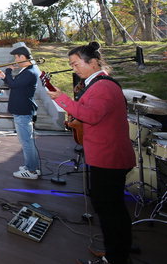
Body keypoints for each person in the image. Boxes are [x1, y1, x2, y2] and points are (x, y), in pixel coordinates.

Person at [47, 42, 135, 264]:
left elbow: (92, 115)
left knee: (110, 210)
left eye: (76, 64)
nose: (73, 68)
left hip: (109, 157)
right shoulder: (96, 85)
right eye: (71, 65)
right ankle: (114, 252)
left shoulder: (103, 87)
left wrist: (61, 98)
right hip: (104, 155)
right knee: (107, 207)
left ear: (93, 62)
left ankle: (117, 257)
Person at [0, 46, 40, 180]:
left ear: (22, 57)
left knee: (26, 142)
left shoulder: (30, 72)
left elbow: (14, 85)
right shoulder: (27, 70)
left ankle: (31, 170)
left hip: (22, 110)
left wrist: (8, 71)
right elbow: (15, 84)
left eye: (16, 57)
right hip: (22, 109)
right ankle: (32, 167)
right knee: (27, 141)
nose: (15, 60)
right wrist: (4, 77)